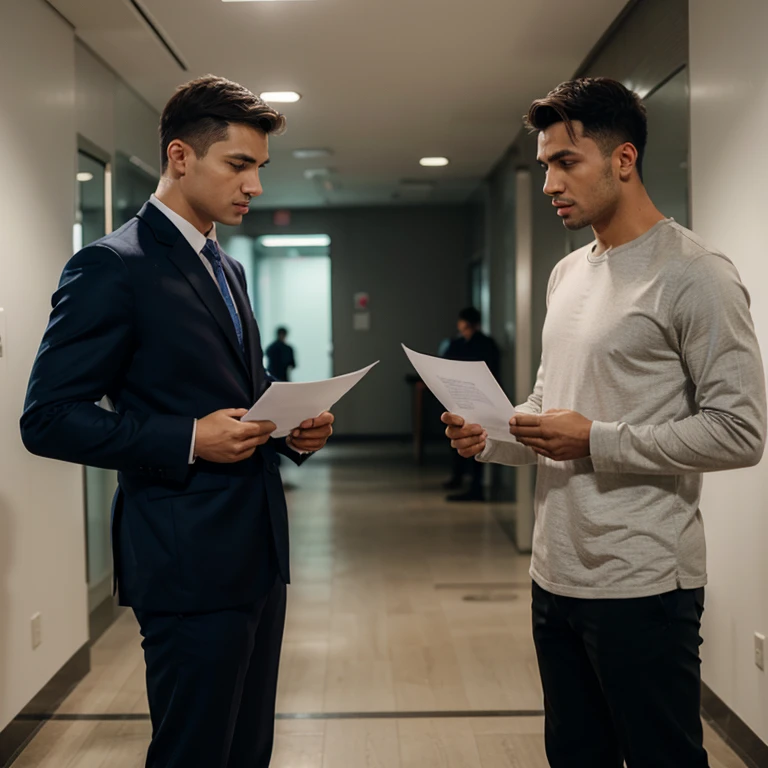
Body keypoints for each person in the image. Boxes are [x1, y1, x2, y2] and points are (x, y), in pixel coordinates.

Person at [442, 77, 766, 767]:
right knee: (575, 755)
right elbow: (545, 403)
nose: (550, 182)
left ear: (624, 159)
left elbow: (741, 431)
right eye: (545, 165)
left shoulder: (696, 274)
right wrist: (493, 434)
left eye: (567, 161)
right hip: (553, 573)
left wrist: (595, 439)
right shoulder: (568, 276)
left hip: (644, 581)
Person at [20, 75, 335, 768]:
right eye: (239, 165)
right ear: (181, 157)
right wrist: (190, 438)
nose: (254, 186)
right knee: (194, 752)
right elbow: (47, 419)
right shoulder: (111, 266)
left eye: (260, 168)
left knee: (247, 750)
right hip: (185, 558)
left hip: (256, 553)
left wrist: (290, 428)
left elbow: (238, 395)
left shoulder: (226, 267)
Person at [442, 307, 500, 501]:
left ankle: (476, 487)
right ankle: (458, 477)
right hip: (458, 399)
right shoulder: (456, 344)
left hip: (479, 401)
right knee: (458, 439)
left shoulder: (486, 344)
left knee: (477, 442)